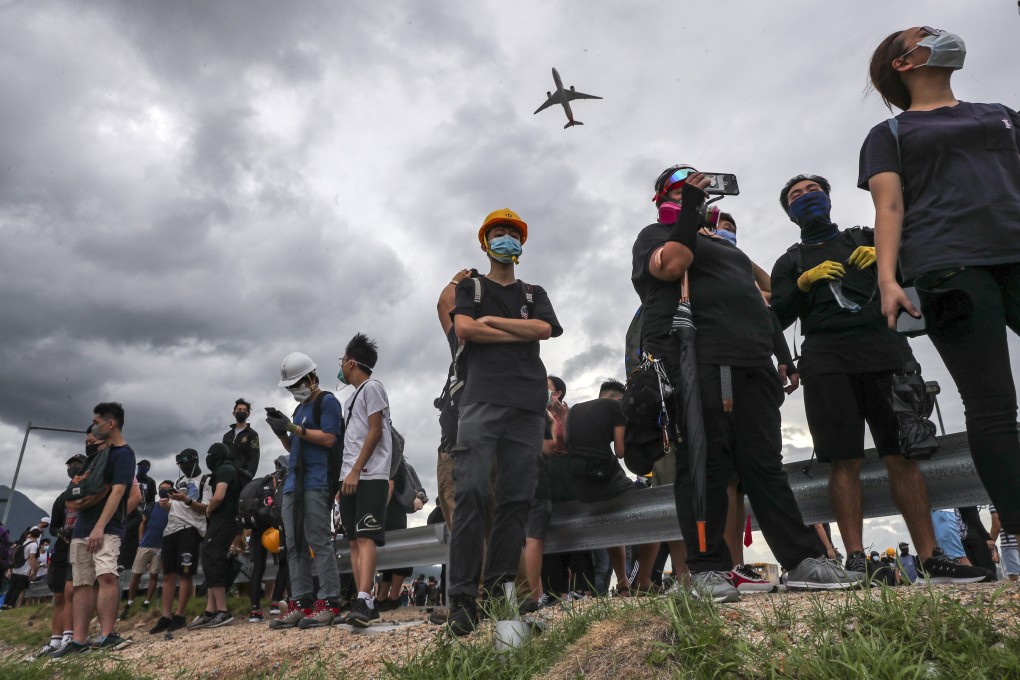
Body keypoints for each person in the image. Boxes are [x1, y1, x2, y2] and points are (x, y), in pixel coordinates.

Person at [632, 165, 864, 603]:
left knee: (765, 466)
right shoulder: (654, 235)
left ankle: (802, 561)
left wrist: (781, 354)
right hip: (701, 360)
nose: (697, 189)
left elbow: (759, 304)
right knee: (705, 465)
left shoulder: (724, 247)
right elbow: (672, 265)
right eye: (685, 185)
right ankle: (705, 569)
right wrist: (689, 212)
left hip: (753, 364)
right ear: (665, 195)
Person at [771, 173, 987, 585]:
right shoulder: (790, 262)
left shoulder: (867, 238)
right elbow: (776, 318)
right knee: (843, 460)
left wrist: (886, 258)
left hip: (886, 354)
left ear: (829, 199)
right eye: (796, 196)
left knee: (901, 454)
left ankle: (930, 558)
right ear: (790, 213)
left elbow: (915, 273)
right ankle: (855, 560)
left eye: (813, 191)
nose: (806, 198)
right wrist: (802, 284)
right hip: (826, 363)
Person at [860, 26, 1020, 538]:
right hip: (949, 265)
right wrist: (888, 279)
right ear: (905, 63)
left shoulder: (1000, 114)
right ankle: (1016, 527)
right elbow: (889, 205)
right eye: (925, 34)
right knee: (992, 403)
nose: (942, 36)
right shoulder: (890, 134)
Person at [446, 208, 562, 635]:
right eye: (498, 233)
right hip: (481, 401)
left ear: (522, 244)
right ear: (484, 242)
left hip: (527, 405)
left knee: (516, 500)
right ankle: (461, 599)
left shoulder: (534, 291)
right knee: (473, 492)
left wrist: (492, 322)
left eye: (513, 233)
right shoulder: (471, 287)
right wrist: (515, 329)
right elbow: (464, 331)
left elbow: (546, 331)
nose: (506, 239)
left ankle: (497, 594)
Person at [266, 352, 343, 630]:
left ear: (311, 377)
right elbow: (293, 447)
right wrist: (281, 432)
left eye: (297, 382)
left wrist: (293, 427)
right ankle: (301, 602)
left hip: (317, 481)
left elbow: (329, 438)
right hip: (294, 483)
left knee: (318, 540)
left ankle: (330, 601)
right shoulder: (299, 410)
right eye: (290, 385)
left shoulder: (327, 402)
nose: (294, 389)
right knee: (295, 542)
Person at [51, 403, 135, 657]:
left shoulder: (124, 453)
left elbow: (118, 491)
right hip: (80, 530)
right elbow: (71, 497)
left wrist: (100, 526)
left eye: (97, 421)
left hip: (106, 528)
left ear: (110, 424)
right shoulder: (94, 458)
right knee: (81, 584)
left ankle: (107, 634)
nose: (93, 426)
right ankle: (78, 639)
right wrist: (88, 502)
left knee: (106, 576)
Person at [557, 379, 634, 598]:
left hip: (581, 489)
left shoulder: (575, 411)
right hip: (606, 481)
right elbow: (620, 452)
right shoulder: (617, 407)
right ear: (619, 398)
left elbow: (569, 445)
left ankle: (623, 585)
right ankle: (643, 579)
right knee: (652, 514)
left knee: (612, 529)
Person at [337, 333, 392, 627]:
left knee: (366, 535)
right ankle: (364, 600)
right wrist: (345, 475)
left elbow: (375, 431)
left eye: (342, 361)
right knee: (354, 540)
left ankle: (364, 597)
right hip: (350, 476)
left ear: (352, 362)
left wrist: (357, 469)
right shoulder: (351, 397)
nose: (341, 367)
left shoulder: (373, 387)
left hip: (370, 474)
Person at [148, 448, 212, 635]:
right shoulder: (178, 481)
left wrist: (187, 500)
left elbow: (206, 509)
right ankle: (166, 616)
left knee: (185, 573)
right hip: (171, 530)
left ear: (194, 461)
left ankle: (180, 615)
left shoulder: (205, 481)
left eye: (186, 462)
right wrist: (167, 505)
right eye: (180, 464)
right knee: (167, 574)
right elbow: (176, 508)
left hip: (190, 529)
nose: (183, 466)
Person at [189, 443, 243, 629]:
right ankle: (210, 611)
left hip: (224, 520)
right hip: (224, 521)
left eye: (211, 454)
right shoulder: (227, 468)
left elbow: (219, 496)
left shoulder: (225, 469)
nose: (208, 458)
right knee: (210, 559)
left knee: (213, 558)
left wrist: (209, 511)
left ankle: (222, 611)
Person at [121, 479, 173, 620]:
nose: (164, 490)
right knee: (136, 574)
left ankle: (147, 601)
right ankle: (130, 602)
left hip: (160, 546)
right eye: (162, 488)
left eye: (167, 488)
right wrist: (140, 540)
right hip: (145, 544)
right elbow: (143, 523)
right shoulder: (151, 506)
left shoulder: (174, 507)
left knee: (154, 575)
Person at [247, 456, 290, 622]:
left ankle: (255, 610)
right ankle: (275, 603)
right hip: (275, 527)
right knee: (284, 563)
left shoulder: (264, 481)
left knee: (258, 566)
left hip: (258, 528)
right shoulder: (282, 481)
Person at [224, 398, 260, 485]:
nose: (242, 412)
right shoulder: (227, 435)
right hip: (225, 476)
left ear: (248, 414)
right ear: (234, 413)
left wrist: (248, 476)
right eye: (239, 410)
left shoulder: (252, 434)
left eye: (244, 410)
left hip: (241, 479)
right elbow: (222, 456)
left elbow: (254, 457)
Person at [3, 526, 40, 610]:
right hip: (24, 570)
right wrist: (33, 571)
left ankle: (5, 604)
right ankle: (11, 605)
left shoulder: (25, 542)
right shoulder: (34, 545)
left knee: (11, 587)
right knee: (18, 588)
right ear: (38, 536)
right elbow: (31, 558)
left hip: (16, 568)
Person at [989, 505, 1019, 582]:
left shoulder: (995, 500)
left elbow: (996, 526)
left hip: (1010, 544)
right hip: (1013, 543)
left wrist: (990, 541)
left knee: (1014, 578)